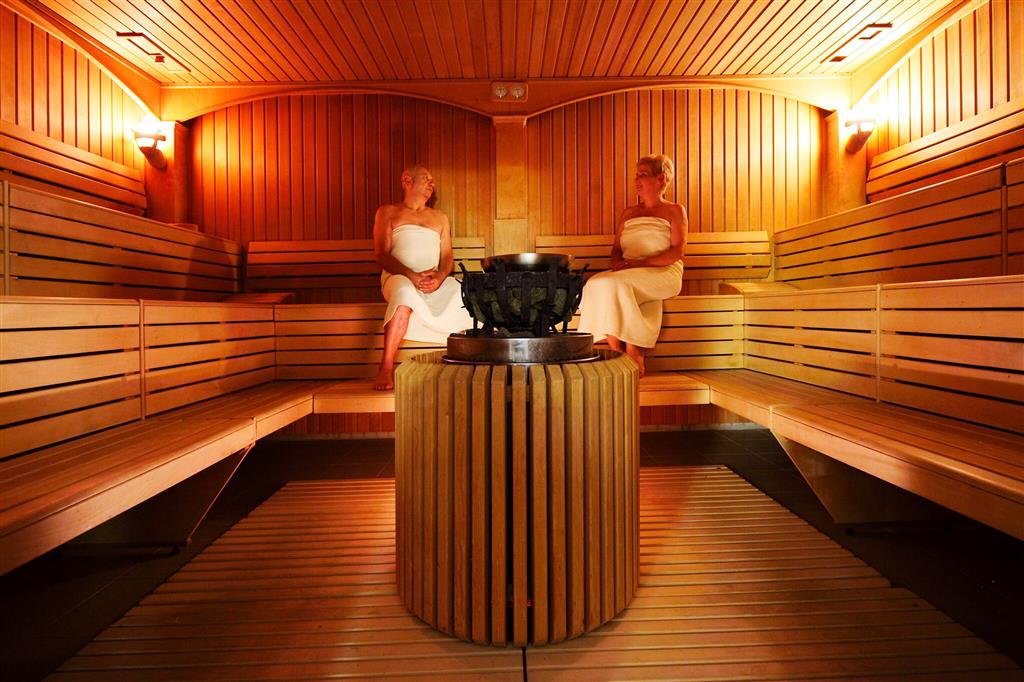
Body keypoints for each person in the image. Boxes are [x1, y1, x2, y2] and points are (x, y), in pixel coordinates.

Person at [577, 154, 687, 378]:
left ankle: (634, 352)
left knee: (617, 285)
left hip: (663, 271)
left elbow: (677, 251)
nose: (637, 180)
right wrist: (618, 263)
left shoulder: (674, 210)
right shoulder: (629, 213)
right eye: (636, 175)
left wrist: (641, 263)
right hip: (629, 273)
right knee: (595, 284)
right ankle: (617, 351)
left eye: (643, 174)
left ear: (661, 178)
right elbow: (616, 248)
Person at [372, 165, 472, 390]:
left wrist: (440, 277)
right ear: (407, 180)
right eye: (426, 179)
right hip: (398, 276)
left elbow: (447, 257)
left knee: (462, 292)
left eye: (432, 181)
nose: (432, 184)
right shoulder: (388, 212)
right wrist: (411, 275)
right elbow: (381, 254)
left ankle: (464, 363)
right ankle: (386, 366)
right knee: (404, 292)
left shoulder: (439, 218)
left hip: (432, 280)